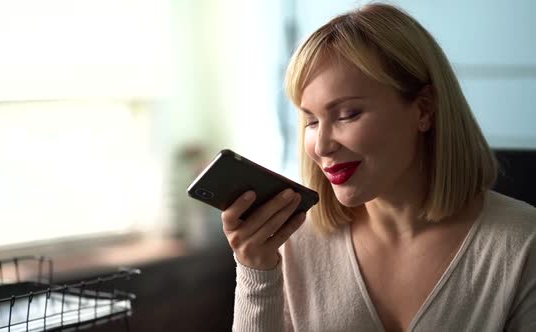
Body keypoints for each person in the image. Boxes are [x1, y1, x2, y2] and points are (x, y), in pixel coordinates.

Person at [220, 3, 536, 332]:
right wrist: (256, 271)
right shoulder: (293, 242)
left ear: (424, 109)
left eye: (347, 115)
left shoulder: (522, 243)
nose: (323, 144)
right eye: (311, 120)